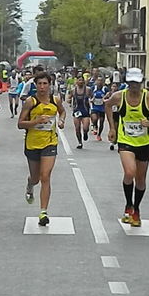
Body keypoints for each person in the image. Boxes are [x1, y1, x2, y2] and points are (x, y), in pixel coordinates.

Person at [105, 68, 149, 227]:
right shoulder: (119, 96)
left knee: (140, 179)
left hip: (144, 143)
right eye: (131, 82)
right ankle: (128, 205)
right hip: (126, 141)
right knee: (129, 172)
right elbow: (107, 105)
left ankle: (136, 209)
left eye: (137, 82)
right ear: (127, 82)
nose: (134, 86)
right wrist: (112, 128)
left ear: (141, 82)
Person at [18, 71, 66, 226]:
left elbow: (62, 111)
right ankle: (30, 184)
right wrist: (35, 122)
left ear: (50, 85)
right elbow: (20, 124)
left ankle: (43, 212)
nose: (42, 87)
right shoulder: (31, 102)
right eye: (39, 84)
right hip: (32, 143)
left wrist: (61, 121)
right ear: (35, 85)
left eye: (45, 83)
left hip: (50, 142)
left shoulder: (55, 100)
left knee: (45, 176)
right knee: (36, 178)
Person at [68, 75, 92, 149]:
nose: (81, 82)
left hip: (85, 111)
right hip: (77, 110)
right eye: (79, 80)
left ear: (84, 81)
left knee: (85, 128)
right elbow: (69, 97)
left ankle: (85, 133)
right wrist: (69, 100)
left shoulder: (88, 89)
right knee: (77, 128)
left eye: (82, 80)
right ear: (77, 81)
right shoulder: (73, 90)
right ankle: (80, 143)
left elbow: (92, 96)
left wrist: (92, 100)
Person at [90, 76, 109, 141]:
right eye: (98, 80)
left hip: (102, 108)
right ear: (96, 81)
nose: (99, 82)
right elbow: (89, 95)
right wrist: (91, 99)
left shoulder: (105, 89)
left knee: (101, 122)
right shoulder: (93, 88)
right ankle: (95, 126)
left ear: (103, 82)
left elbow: (109, 95)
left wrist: (105, 98)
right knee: (94, 118)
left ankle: (99, 135)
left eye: (101, 81)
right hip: (94, 106)